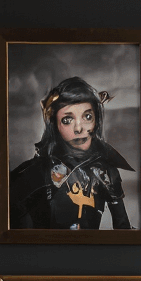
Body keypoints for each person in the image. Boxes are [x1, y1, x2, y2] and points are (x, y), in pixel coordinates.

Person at [10, 76, 133, 230]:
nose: (79, 128)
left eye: (87, 117)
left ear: (97, 121)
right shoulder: (35, 172)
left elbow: (124, 231)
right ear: (54, 124)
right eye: (68, 120)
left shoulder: (105, 170)